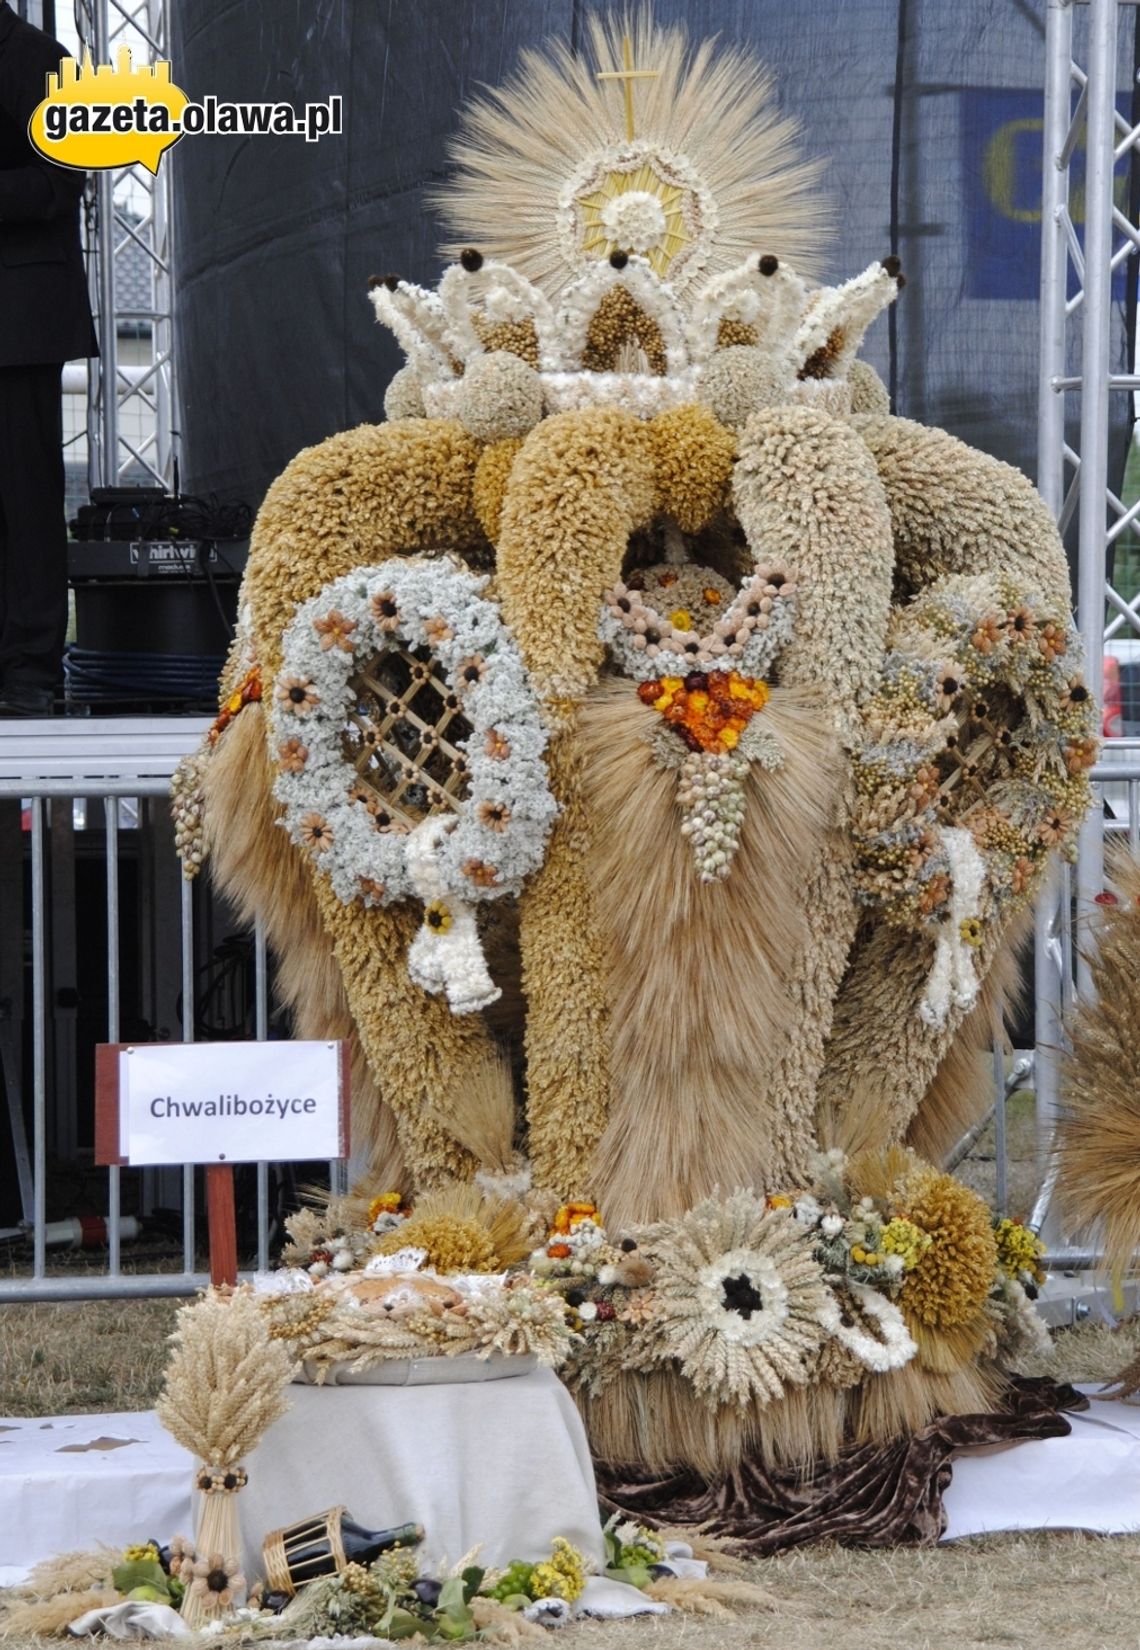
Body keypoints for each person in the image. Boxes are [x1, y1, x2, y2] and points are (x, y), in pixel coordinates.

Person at [0, 0, 96, 717]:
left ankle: (33, 668)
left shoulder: (42, 60)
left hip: (20, 323)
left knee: (27, 497)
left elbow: (61, 184)